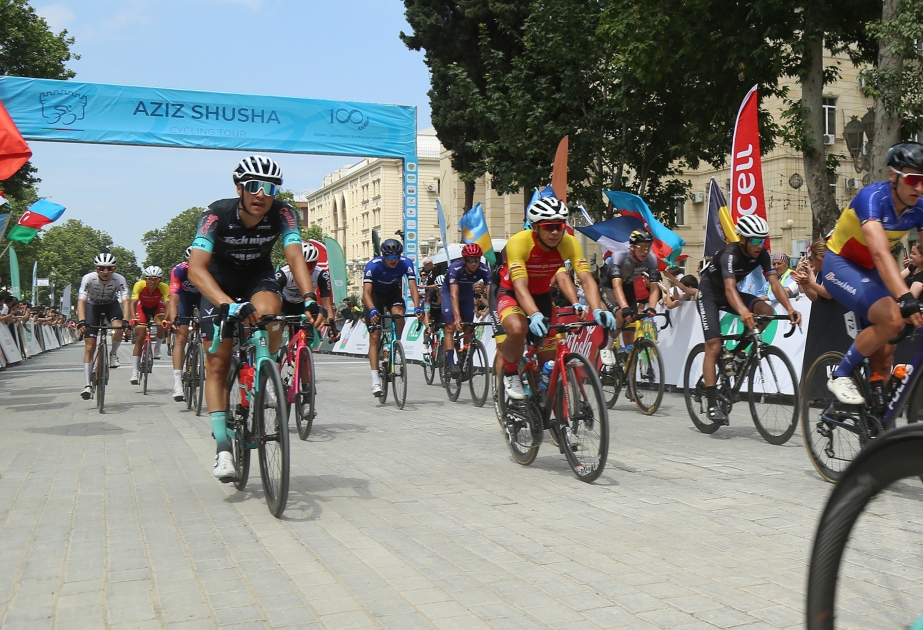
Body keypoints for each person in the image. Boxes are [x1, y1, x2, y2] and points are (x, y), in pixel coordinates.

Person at [188, 155, 317, 481]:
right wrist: (226, 304)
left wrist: (309, 297)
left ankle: (265, 367)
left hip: (256, 277)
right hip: (217, 281)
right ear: (240, 187)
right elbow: (196, 268)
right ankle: (222, 449)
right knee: (217, 363)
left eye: (270, 188)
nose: (262, 194)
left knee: (271, 315)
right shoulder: (215, 214)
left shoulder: (284, 212)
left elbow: (293, 255)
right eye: (254, 186)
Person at [823, 142, 923, 404]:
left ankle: (875, 429)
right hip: (840, 264)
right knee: (892, 318)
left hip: (870, 271)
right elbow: (879, 252)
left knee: (885, 357)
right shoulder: (872, 198)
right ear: (893, 175)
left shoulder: (919, 207)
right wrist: (904, 296)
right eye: (913, 179)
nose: (919, 188)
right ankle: (840, 373)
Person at [494, 197, 616, 400]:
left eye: (559, 226)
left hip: (542, 296)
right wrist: (533, 315)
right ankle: (510, 372)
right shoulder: (519, 242)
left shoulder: (569, 242)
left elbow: (585, 279)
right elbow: (520, 285)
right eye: (548, 226)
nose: (554, 232)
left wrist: (598, 309)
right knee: (517, 328)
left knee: (548, 365)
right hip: (512, 293)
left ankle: (544, 401)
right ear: (535, 228)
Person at [697, 215, 802, 424]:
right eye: (755, 240)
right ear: (742, 239)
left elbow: (774, 283)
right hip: (710, 293)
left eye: (763, 240)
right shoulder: (729, 253)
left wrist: (790, 307)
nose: (759, 245)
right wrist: (744, 312)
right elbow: (728, 288)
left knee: (767, 313)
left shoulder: (762, 254)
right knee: (714, 346)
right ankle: (710, 404)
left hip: (731, 292)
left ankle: (737, 354)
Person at [362, 238, 423, 396]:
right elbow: (366, 293)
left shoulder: (406, 263)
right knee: (375, 337)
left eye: (396, 257)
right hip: (374, 296)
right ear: (383, 256)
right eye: (390, 257)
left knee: (399, 314)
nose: (394, 260)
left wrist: (417, 307)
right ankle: (375, 381)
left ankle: (397, 344)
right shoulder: (373, 266)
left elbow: (413, 287)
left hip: (392, 294)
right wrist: (373, 309)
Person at [76, 253, 130, 399]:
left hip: (111, 306)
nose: (105, 271)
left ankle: (113, 354)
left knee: (118, 327)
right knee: (89, 347)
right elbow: (81, 301)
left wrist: (126, 320)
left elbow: (125, 301)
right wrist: (81, 320)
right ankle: (87, 386)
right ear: (96, 269)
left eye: (109, 268)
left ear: (114, 269)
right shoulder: (88, 278)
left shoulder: (119, 279)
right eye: (102, 268)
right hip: (92, 307)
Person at [602, 230, 662, 350]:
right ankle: (606, 349)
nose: (645, 251)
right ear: (632, 247)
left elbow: (654, 287)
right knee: (621, 316)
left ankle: (628, 365)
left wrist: (651, 307)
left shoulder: (651, 259)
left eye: (648, 248)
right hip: (609, 285)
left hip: (627, 286)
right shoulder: (619, 256)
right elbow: (616, 285)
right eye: (641, 247)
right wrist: (624, 308)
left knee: (630, 327)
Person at [443, 243, 491, 376]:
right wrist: (457, 317)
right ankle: (451, 364)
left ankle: (464, 357)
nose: (474, 263)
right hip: (450, 293)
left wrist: (496, 313)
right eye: (470, 260)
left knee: (469, 328)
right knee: (450, 326)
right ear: (464, 260)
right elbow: (454, 295)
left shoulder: (484, 269)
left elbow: (490, 293)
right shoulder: (455, 268)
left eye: (477, 259)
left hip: (466, 295)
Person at [274, 241, 336, 339]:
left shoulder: (321, 275)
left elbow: (327, 305)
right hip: (284, 305)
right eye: (303, 265)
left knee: (310, 339)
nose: (306, 270)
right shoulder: (283, 274)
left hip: (304, 306)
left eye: (310, 266)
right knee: (274, 335)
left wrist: (332, 328)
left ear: (316, 264)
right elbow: (274, 300)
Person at [166, 247, 201, 401]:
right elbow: (173, 300)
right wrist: (174, 320)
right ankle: (178, 383)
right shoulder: (178, 270)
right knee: (181, 337)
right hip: (184, 298)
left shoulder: (209, 267)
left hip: (202, 297)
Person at [129, 266, 170, 385]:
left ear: (160, 280)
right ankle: (134, 372)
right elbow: (133, 302)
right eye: (150, 279)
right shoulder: (139, 285)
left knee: (161, 325)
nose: (153, 281)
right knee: (140, 338)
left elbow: (168, 304)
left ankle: (157, 348)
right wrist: (134, 318)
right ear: (145, 279)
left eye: (156, 279)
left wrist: (166, 320)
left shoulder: (164, 287)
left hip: (157, 308)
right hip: (142, 308)